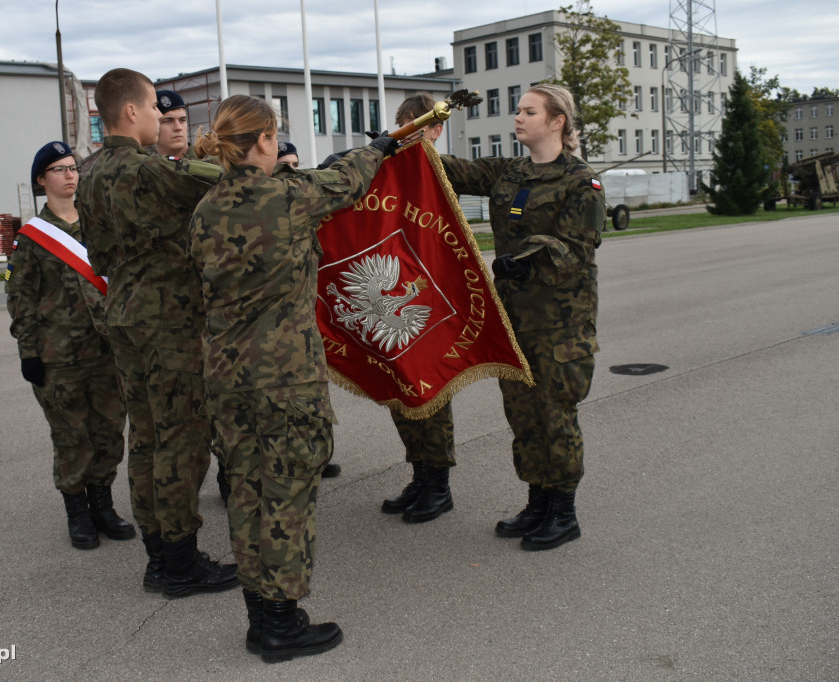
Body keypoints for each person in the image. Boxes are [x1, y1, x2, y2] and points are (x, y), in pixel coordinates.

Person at [189, 94, 397, 662]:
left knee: (247, 493)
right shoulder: (288, 198)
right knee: (286, 495)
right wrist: (378, 147)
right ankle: (282, 625)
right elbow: (346, 179)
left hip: (226, 377)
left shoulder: (205, 208)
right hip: (284, 378)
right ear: (262, 142)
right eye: (273, 136)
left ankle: (262, 616)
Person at [77, 68, 237, 599]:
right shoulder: (144, 170)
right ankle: (182, 560)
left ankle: (159, 556)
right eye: (152, 109)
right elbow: (225, 185)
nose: (156, 117)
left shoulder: (92, 173)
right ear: (130, 112)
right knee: (182, 439)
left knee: (144, 437)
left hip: (122, 313)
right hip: (167, 320)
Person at [442, 84, 603, 551]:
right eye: (518, 110)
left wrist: (529, 258)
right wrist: (402, 147)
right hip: (513, 317)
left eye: (529, 111)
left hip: (560, 322)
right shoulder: (508, 171)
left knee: (555, 414)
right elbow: (455, 171)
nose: (518, 118)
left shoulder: (580, 181)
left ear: (557, 122)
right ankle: (537, 501)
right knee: (523, 415)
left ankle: (563, 511)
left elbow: (578, 247)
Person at [5, 140, 135, 551]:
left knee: (109, 432)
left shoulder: (98, 225)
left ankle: (103, 505)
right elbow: (20, 300)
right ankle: (77, 514)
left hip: (106, 352)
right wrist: (29, 352)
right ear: (41, 180)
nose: (69, 174)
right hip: (59, 358)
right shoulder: (31, 238)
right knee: (72, 437)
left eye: (73, 167)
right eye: (58, 169)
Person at [379, 93, 456, 524]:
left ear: (436, 130)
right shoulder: (387, 170)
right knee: (400, 390)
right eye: (405, 129)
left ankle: (439, 485)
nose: (411, 138)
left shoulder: (443, 173)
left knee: (432, 391)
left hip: (431, 298)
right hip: (397, 293)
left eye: (419, 129)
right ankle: (419, 474)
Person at [151, 89, 191, 158]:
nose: (178, 127)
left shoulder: (211, 163)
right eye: (168, 121)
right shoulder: (145, 167)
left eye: (182, 120)